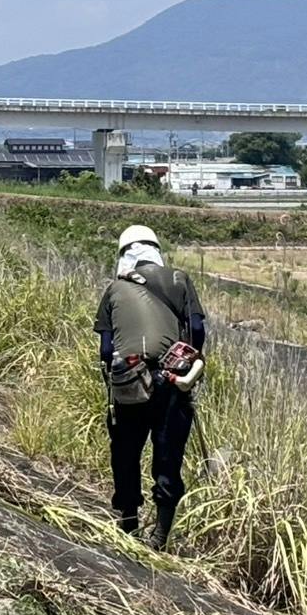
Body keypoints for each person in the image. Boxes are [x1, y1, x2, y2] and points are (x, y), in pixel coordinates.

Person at [93, 224, 206, 550]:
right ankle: (160, 537)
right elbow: (197, 330)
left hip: (130, 381)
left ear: (123, 255)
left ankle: (129, 523)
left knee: (125, 451)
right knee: (168, 455)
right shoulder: (179, 279)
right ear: (156, 252)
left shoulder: (114, 288)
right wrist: (187, 362)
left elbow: (105, 349)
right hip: (172, 381)